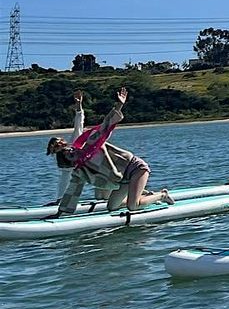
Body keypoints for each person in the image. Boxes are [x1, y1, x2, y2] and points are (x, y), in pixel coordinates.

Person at [48, 87, 172, 216]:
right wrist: (60, 213)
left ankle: (162, 195)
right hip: (124, 180)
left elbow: (105, 125)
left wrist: (119, 105)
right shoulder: (79, 172)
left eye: (71, 150)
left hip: (135, 168)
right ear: (72, 163)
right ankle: (140, 195)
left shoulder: (90, 145)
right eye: (70, 155)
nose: (72, 152)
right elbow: (72, 192)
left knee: (132, 207)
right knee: (112, 207)